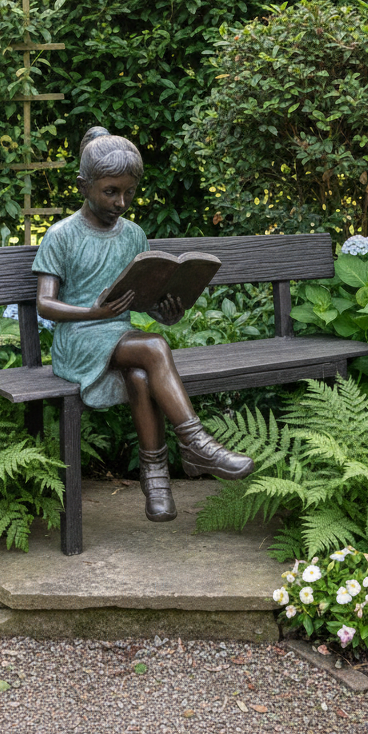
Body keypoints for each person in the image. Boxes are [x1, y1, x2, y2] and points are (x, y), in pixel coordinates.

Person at [32, 129, 254, 524]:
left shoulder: (134, 235)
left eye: (129, 193)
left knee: (139, 373)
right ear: (84, 186)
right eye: (111, 191)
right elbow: (45, 304)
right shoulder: (62, 235)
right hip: (78, 339)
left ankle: (156, 484)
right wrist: (93, 314)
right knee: (152, 348)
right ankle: (196, 443)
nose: (121, 202)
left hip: (119, 337)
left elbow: (141, 294)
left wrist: (166, 310)